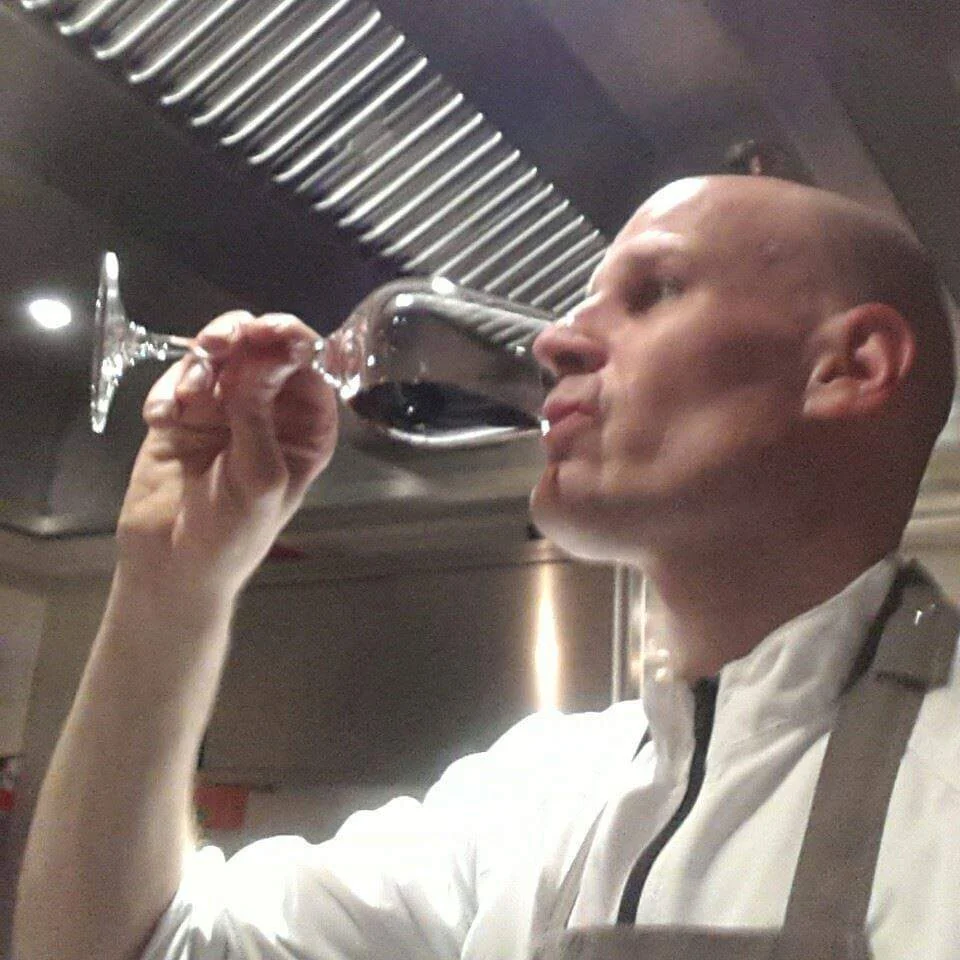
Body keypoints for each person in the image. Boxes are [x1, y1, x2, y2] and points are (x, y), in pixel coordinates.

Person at [13, 174, 960, 960]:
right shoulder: (540, 794)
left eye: (654, 291)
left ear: (851, 367)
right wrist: (172, 583)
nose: (553, 341)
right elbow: (130, 949)